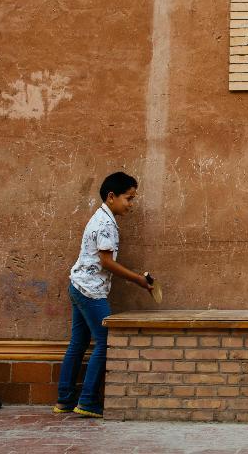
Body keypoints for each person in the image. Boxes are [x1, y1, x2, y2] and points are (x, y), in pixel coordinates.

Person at [53, 172, 152, 418]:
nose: (131, 205)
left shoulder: (100, 217)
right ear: (111, 196)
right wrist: (138, 279)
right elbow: (106, 262)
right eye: (128, 199)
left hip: (78, 286)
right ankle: (87, 401)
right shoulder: (106, 223)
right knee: (107, 341)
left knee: (78, 344)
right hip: (90, 292)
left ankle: (64, 400)